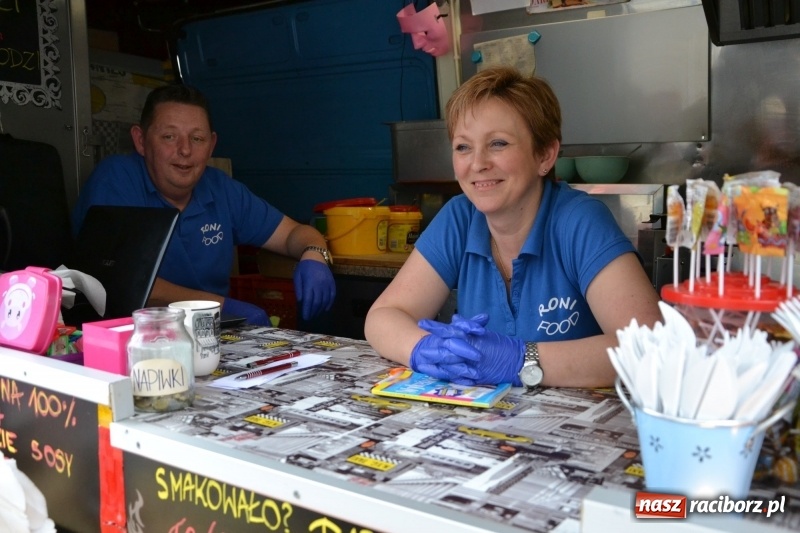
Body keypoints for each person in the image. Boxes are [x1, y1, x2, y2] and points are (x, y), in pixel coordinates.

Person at [364, 66, 662, 389]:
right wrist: (422, 348)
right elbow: (383, 316)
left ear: (545, 155)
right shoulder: (460, 218)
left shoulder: (580, 221)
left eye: (498, 144)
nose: (477, 163)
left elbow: (650, 351)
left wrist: (523, 360)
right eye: (463, 146)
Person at [71, 84, 336, 325]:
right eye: (169, 137)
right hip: (137, 340)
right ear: (141, 141)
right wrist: (220, 307)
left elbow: (292, 233)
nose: (185, 150)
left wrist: (314, 255)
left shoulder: (221, 189)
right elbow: (121, 280)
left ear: (211, 145)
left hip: (212, 336)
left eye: (197, 139)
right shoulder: (117, 179)